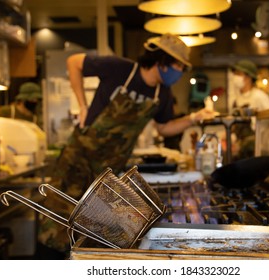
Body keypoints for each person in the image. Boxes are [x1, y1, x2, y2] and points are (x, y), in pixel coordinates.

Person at [38, 33, 216, 256]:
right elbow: (74, 63)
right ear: (162, 60)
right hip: (79, 159)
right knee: (57, 221)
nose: (180, 71)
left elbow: (164, 128)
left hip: (107, 173)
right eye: (179, 65)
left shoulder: (163, 94)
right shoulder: (120, 68)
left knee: (95, 232)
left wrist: (193, 118)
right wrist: (83, 106)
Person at [230, 59, 269, 159]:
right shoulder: (236, 100)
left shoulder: (259, 96)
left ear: (248, 77)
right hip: (240, 149)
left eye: (238, 73)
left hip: (256, 148)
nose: (235, 77)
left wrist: (264, 139)